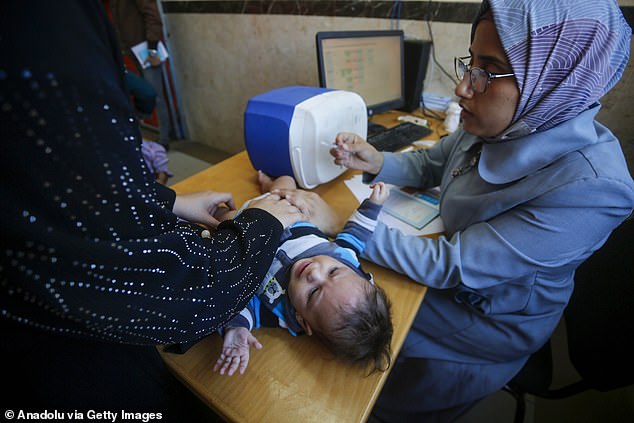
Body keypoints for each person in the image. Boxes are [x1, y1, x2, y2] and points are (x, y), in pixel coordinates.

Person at [330, 0, 634, 421]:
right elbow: (431, 163)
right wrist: (376, 160)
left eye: (487, 70)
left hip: (489, 319)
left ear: (554, 77)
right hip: (456, 275)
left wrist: (343, 224)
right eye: (470, 63)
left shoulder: (592, 188)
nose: (463, 88)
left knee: (355, 326)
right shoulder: (506, 120)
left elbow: (450, 264)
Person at [0, 2, 305, 419]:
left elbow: (57, 185)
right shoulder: (39, 22)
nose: (316, 274)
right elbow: (170, 284)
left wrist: (166, 201)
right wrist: (264, 221)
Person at [212, 172, 394, 376]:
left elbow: (245, 307)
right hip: (283, 205)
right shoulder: (345, 257)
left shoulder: (277, 311)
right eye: (333, 271)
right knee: (286, 181)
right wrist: (373, 205)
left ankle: (213, 211)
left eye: (314, 292)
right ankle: (269, 183)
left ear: (303, 320)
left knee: (218, 219)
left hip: (242, 228)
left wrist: (237, 328)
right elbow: (357, 232)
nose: (314, 272)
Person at [109, 0, 173, 150]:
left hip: (147, 51)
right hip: (133, 51)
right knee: (146, 93)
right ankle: (151, 137)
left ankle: (164, 140)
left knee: (155, 95)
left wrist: (152, 49)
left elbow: (152, 16)